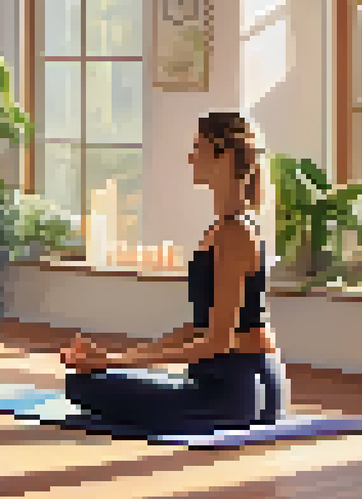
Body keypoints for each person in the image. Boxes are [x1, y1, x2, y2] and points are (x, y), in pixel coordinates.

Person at [58, 112, 289, 433]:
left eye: (198, 147)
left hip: (237, 392)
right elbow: (200, 327)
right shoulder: (223, 229)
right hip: (231, 383)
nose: (191, 157)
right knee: (90, 380)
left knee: (84, 387)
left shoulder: (235, 234)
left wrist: (113, 362)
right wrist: (112, 355)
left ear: (222, 155)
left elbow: (217, 342)